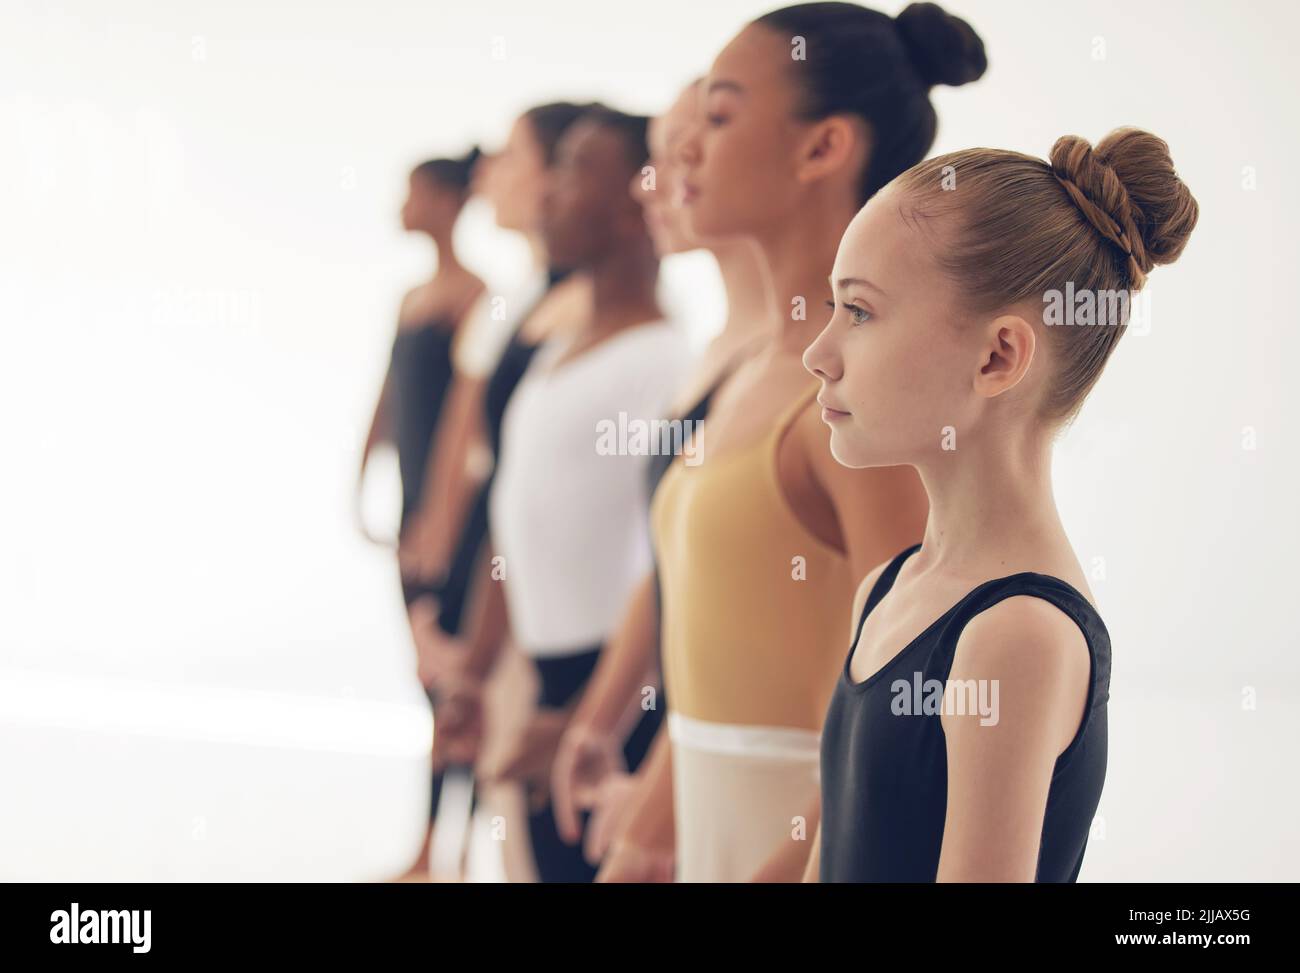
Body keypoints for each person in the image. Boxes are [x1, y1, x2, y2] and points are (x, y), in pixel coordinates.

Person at [598, 1, 986, 882]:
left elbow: (898, 710)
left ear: (822, 149)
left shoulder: (863, 405)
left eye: (721, 116)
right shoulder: (749, 371)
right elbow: (706, 661)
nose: (683, 151)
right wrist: (647, 834)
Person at [803, 127, 1198, 881]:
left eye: (857, 312)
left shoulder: (1018, 638)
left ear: (998, 357)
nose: (817, 353)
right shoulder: (883, 593)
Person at [439, 107, 691, 882]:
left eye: (576, 169)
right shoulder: (557, 352)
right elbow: (519, 521)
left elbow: (676, 565)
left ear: (639, 196)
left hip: (614, 703)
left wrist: (590, 714)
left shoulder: (665, 363)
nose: (548, 193)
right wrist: (480, 671)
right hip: (549, 679)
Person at [548, 79, 772, 866]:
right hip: (678, 746)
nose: (657, 182)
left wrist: (658, 794)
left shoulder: (791, 372)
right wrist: (598, 724)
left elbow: (800, 637)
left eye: (704, 133)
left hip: (728, 773)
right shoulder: (716, 352)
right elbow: (672, 558)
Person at [354, 149, 483, 878]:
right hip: (410, 513)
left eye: (411, 192)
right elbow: (387, 394)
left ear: (441, 199)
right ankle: (437, 846)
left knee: (450, 678)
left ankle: (447, 848)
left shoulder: (477, 296)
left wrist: (438, 520)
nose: (400, 205)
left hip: (448, 523)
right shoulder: (410, 296)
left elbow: (467, 430)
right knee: (427, 676)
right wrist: (359, 480)